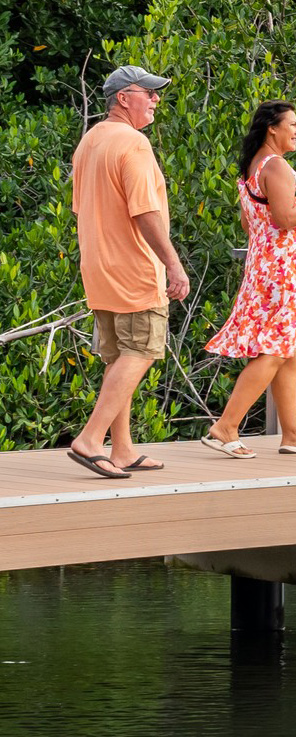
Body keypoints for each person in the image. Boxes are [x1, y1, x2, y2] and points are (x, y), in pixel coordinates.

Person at [66, 65, 193, 478]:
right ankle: (90, 439)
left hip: (99, 268)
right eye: (149, 93)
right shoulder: (133, 143)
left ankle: (122, 448)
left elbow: (81, 208)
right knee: (142, 351)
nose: (156, 99)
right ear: (124, 98)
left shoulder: (89, 142)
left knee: (119, 356)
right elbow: (145, 211)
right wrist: (173, 264)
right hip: (135, 269)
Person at [201, 101, 296, 458]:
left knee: (289, 351)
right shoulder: (276, 166)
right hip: (283, 272)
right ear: (272, 129)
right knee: (276, 349)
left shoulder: (253, 168)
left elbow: (252, 224)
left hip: (267, 267)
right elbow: (282, 217)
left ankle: (292, 433)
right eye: (292, 124)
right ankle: (226, 426)